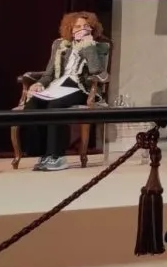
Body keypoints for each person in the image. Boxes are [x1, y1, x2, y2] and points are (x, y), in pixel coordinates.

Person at [21, 11, 110, 171]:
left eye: (86, 26)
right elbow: (48, 73)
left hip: (81, 88)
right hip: (58, 85)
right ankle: (44, 154)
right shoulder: (60, 45)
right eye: (77, 26)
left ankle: (57, 157)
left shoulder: (96, 46)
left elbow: (97, 71)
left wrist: (88, 46)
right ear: (70, 29)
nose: (82, 29)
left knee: (55, 105)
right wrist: (39, 84)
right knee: (33, 105)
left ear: (92, 29)